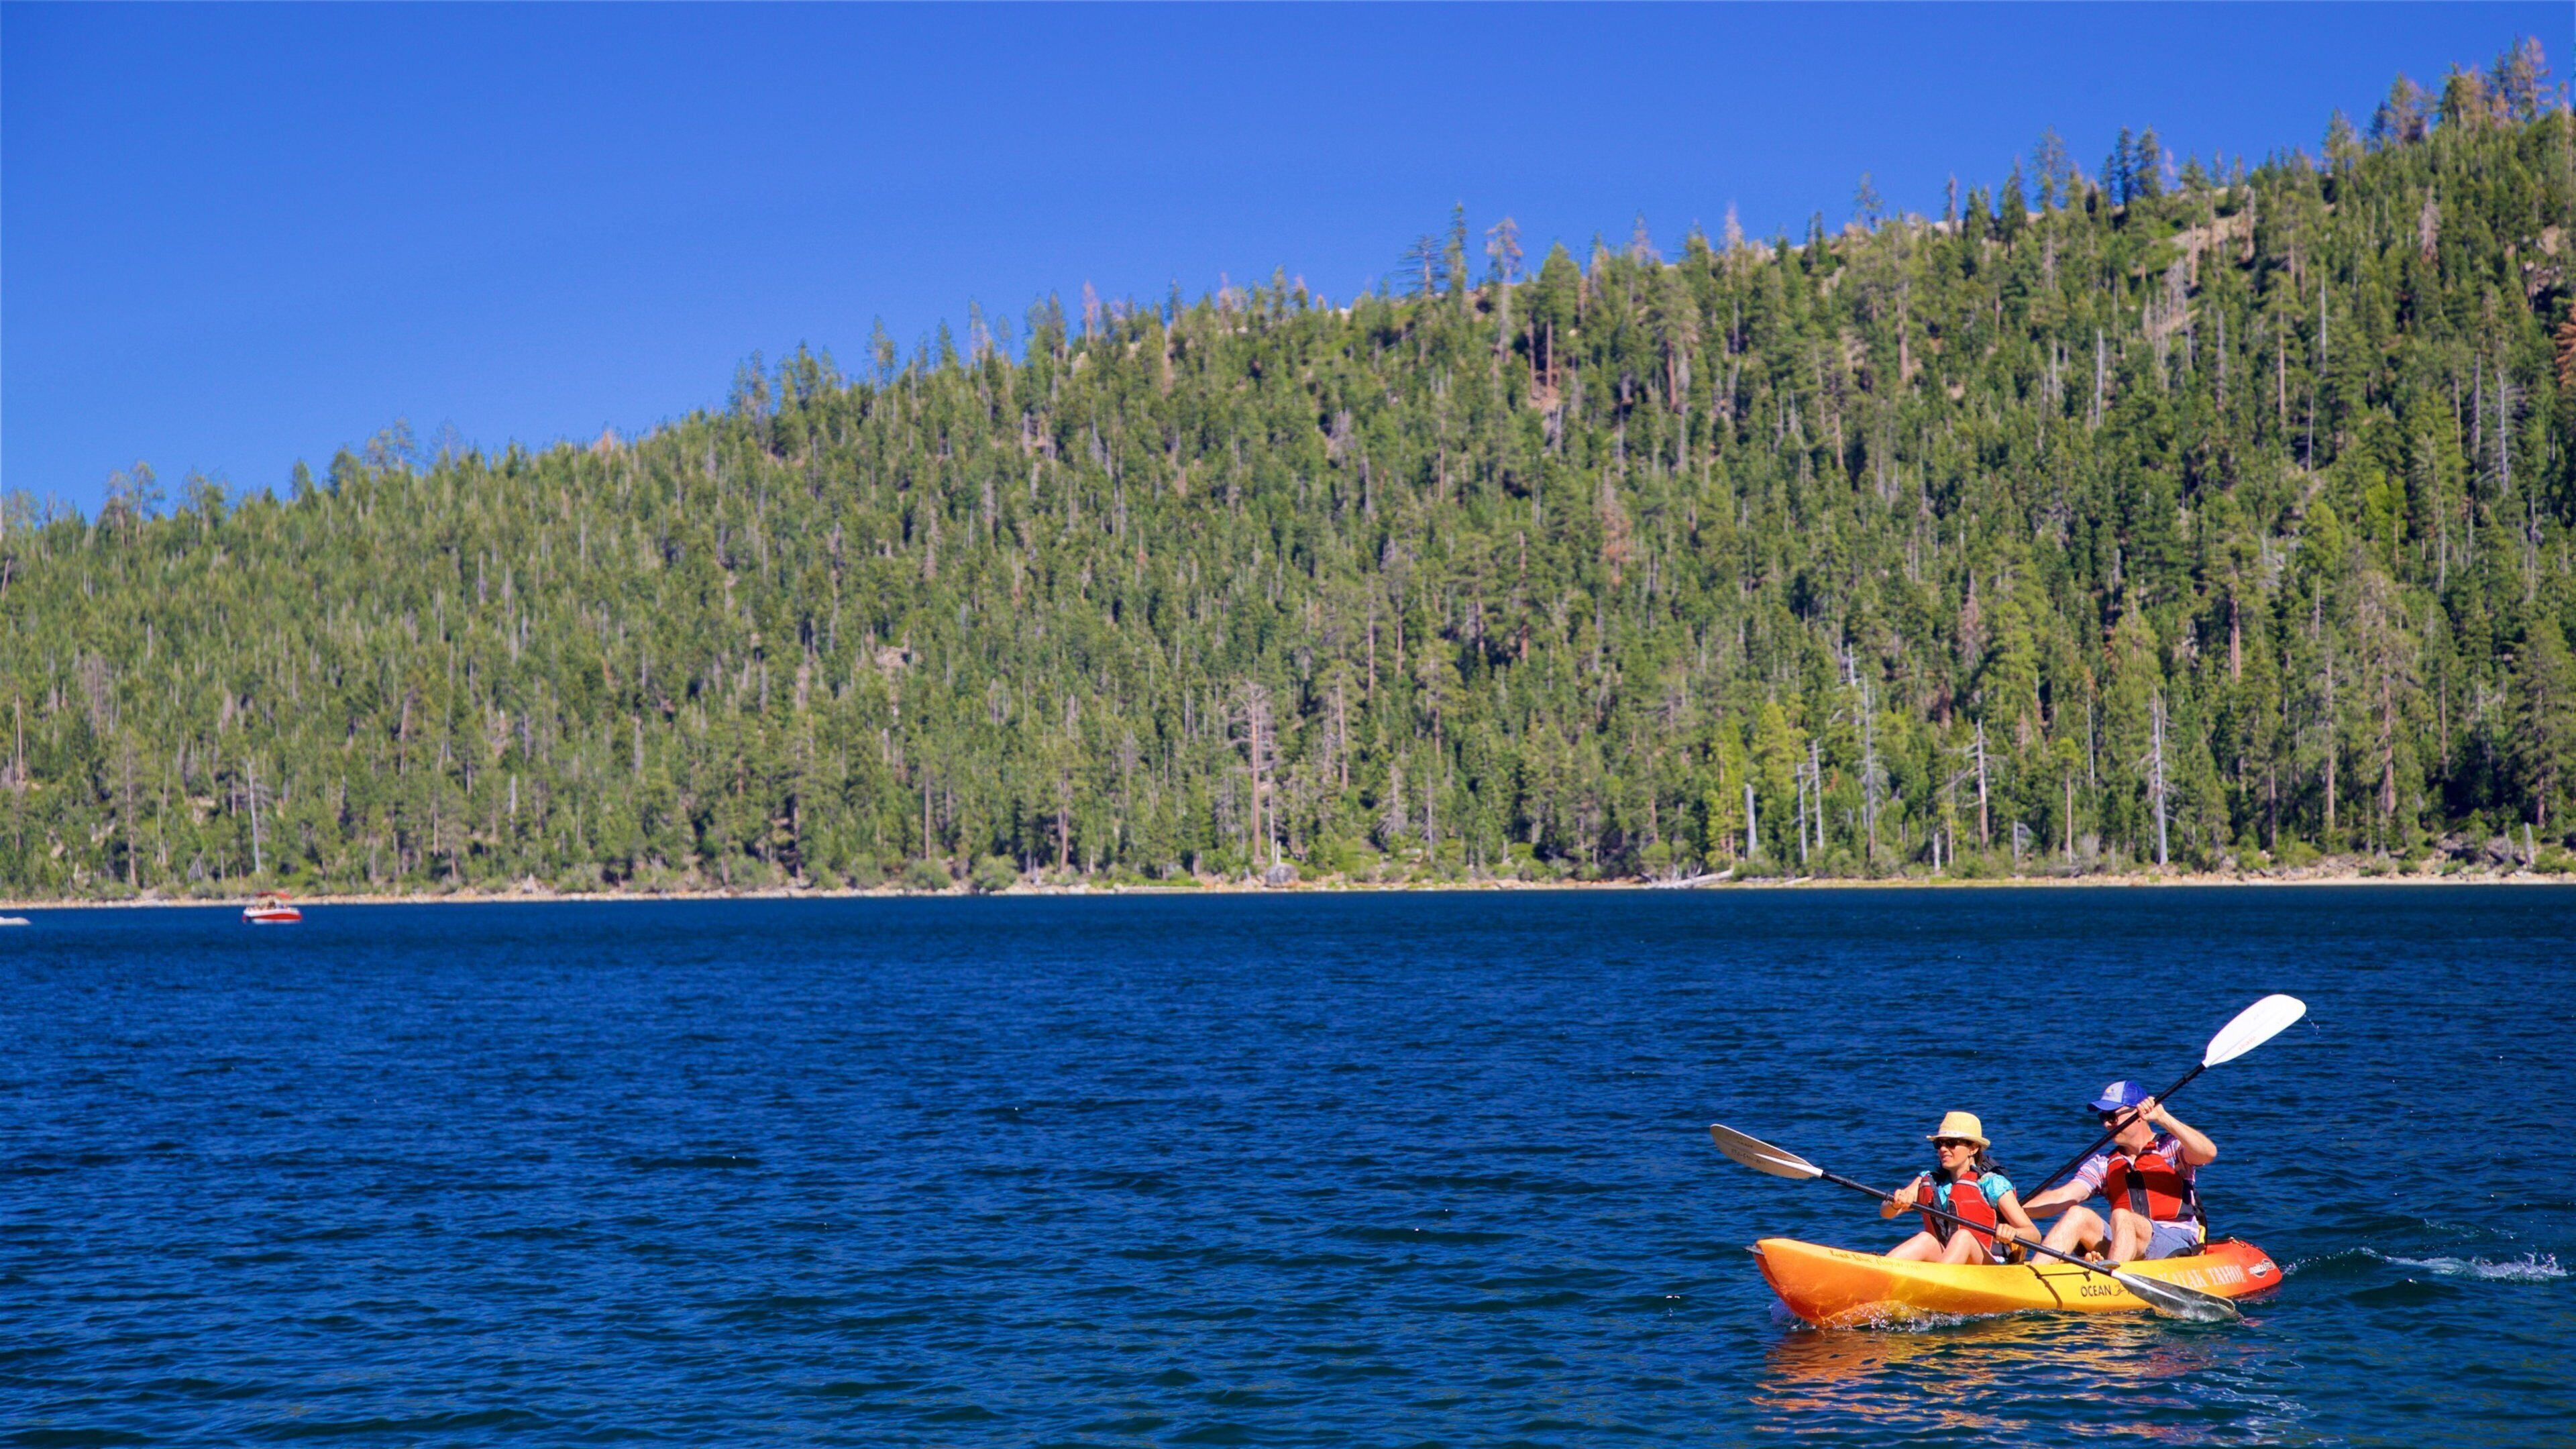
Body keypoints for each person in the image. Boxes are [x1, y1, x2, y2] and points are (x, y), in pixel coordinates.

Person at [2019, 1080, 2217, 1263]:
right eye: (2103, 1117)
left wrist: (2163, 1118)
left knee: (2123, 1216)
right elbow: (2065, 1195)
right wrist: (2013, 1210)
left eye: (2113, 1116)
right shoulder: (2103, 1164)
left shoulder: (2171, 1148)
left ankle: (2110, 1279)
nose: (2107, 1124)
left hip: (2175, 1241)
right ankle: (2035, 1277)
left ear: (2138, 1115)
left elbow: (2208, 1153)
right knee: (2077, 1214)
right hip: (2125, 1242)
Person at [1882, 1111, 2041, 1264]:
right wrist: (1896, 1203)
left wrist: (2015, 1232)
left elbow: (2034, 1234)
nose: (1943, 1149)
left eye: (1951, 1143)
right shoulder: (1931, 1179)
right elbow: (1886, 1213)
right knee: (1925, 1239)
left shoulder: (1991, 1183)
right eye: (1940, 1143)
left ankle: (1936, 1284)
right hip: (1948, 1260)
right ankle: (1881, 1273)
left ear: (1973, 1148)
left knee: (1963, 1237)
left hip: (1988, 1263)